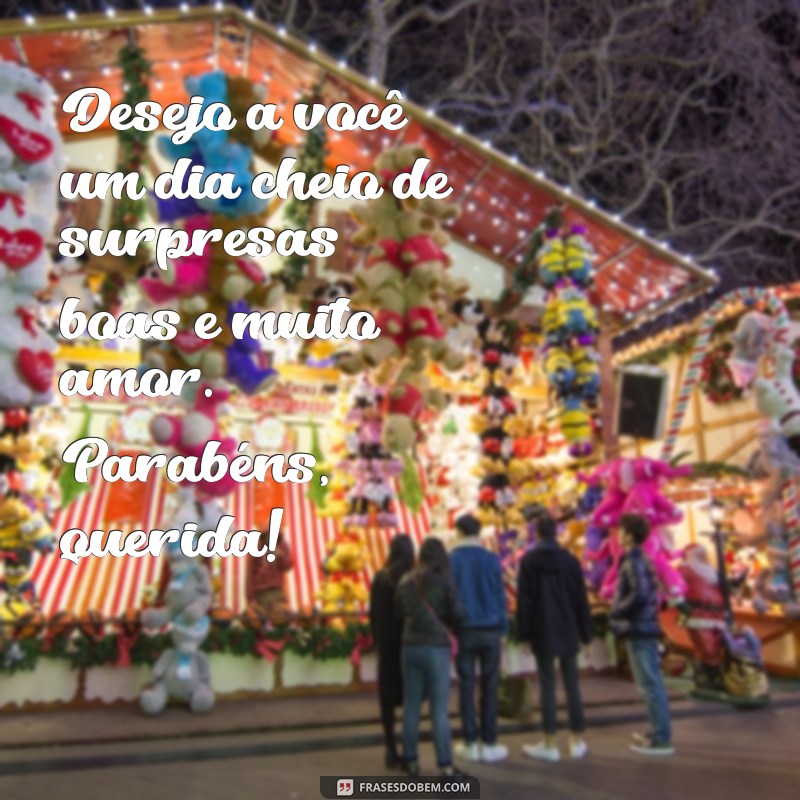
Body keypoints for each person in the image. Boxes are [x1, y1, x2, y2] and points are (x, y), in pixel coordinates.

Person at [516, 512, 592, 762]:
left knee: (547, 685)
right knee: (573, 684)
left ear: (536, 534)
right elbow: (581, 599)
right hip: (569, 625)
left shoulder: (529, 561)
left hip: (542, 627)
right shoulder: (570, 561)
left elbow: (524, 601)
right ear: (556, 533)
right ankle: (577, 739)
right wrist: (585, 632)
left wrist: (523, 633)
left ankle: (550, 741)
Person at [396, 537, 464, 777]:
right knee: (438, 709)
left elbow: (399, 609)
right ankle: (445, 765)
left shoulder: (405, 581)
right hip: (436, 647)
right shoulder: (444, 581)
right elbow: (457, 612)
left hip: (410, 646)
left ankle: (411, 760)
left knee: (411, 706)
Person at [611, 514, 674, 756]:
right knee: (648, 682)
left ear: (628, 534)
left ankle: (661, 737)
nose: (617, 533)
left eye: (621, 529)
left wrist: (617, 609)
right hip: (642, 626)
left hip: (639, 627)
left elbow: (639, 594)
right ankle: (657, 730)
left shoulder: (634, 561)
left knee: (649, 682)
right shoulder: (638, 560)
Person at [449, 513, 509, 763]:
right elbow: (500, 595)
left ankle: (470, 739)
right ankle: (491, 740)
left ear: (459, 533)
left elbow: (449, 597)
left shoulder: (451, 560)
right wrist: (504, 628)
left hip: (464, 630)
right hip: (491, 628)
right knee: (490, 684)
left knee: (466, 685)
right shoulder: (491, 559)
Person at [369, 534, 415, 769]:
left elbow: (373, 613)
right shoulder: (413, 578)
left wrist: (376, 637)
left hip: (387, 643)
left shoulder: (380, 578)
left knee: (387, 700)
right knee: (410, 700)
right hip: (408, 642)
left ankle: (390, 749)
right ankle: (409, 752)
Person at [246, 534, 293, 623]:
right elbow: (250, 575)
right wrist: (250, 601)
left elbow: (287, 566)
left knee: (280, 621)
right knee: (261, 622)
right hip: (260, 593)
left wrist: (280, 553)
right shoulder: (256, 548)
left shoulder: (281, 546)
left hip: (276, 592)